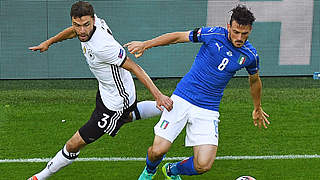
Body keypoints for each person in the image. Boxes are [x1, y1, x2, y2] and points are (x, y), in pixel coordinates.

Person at [27, 1, 173, 180]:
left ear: (94, 21)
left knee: (74, 144)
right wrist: (49, 42)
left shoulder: (103, 46)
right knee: (125, 117)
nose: (81, 31)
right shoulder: (87, 27)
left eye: (86, 25)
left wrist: (158, 95)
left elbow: (135, 68)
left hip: (117, 101)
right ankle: (171, 107)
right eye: (77, 25)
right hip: (106, 89)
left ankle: (39, 177)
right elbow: (72, 32)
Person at [124, 4, 270, 180]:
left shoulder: (250, 55)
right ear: (229, 27)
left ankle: (171, 170)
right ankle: (149, 171)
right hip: (183, 97)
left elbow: (254, 80)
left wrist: (257, 107)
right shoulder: (213, 34)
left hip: (208, 108)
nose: (239, 37)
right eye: (236, 32)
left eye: (244, 33)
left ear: (250, 30)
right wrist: (145, 45)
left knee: (203, 164)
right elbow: (178, 36)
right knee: (157, 151)